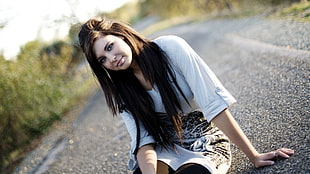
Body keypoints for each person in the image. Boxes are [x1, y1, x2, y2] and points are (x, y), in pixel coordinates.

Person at [78, 18, 294, 174]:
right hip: (165, 145)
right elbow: (144, 142)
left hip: (203, 139)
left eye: (110, 47)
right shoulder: (123, 90)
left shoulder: (170, 48)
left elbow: (213, 104)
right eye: (102, 59)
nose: (111, 58)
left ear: (121, 36)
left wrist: (253, 156)